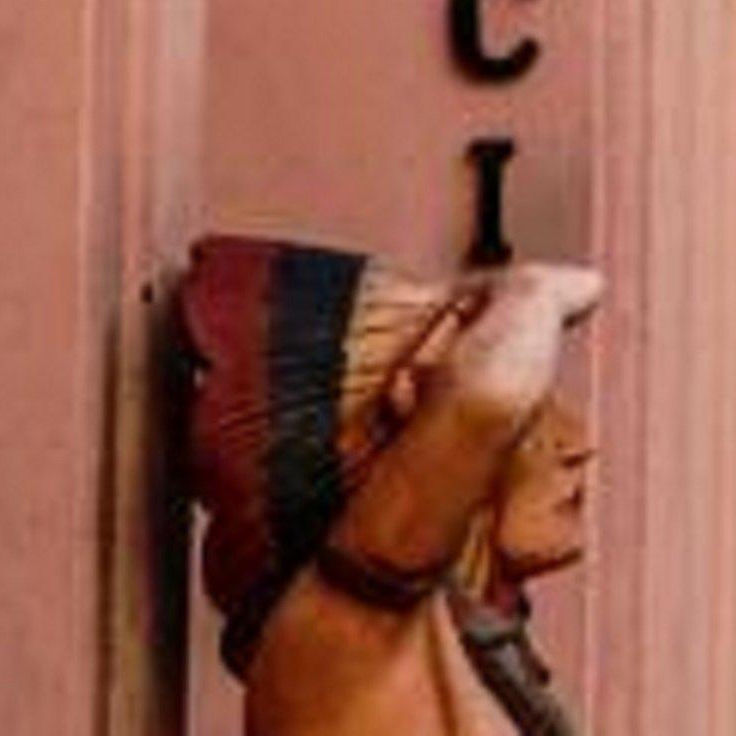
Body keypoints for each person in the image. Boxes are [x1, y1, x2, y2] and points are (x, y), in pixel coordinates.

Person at [175, 247, 605, 736]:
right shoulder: (339, 633)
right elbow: (489, 402)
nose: (578, 444)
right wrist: (535, 292)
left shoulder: (465, 657)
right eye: (534, 415)